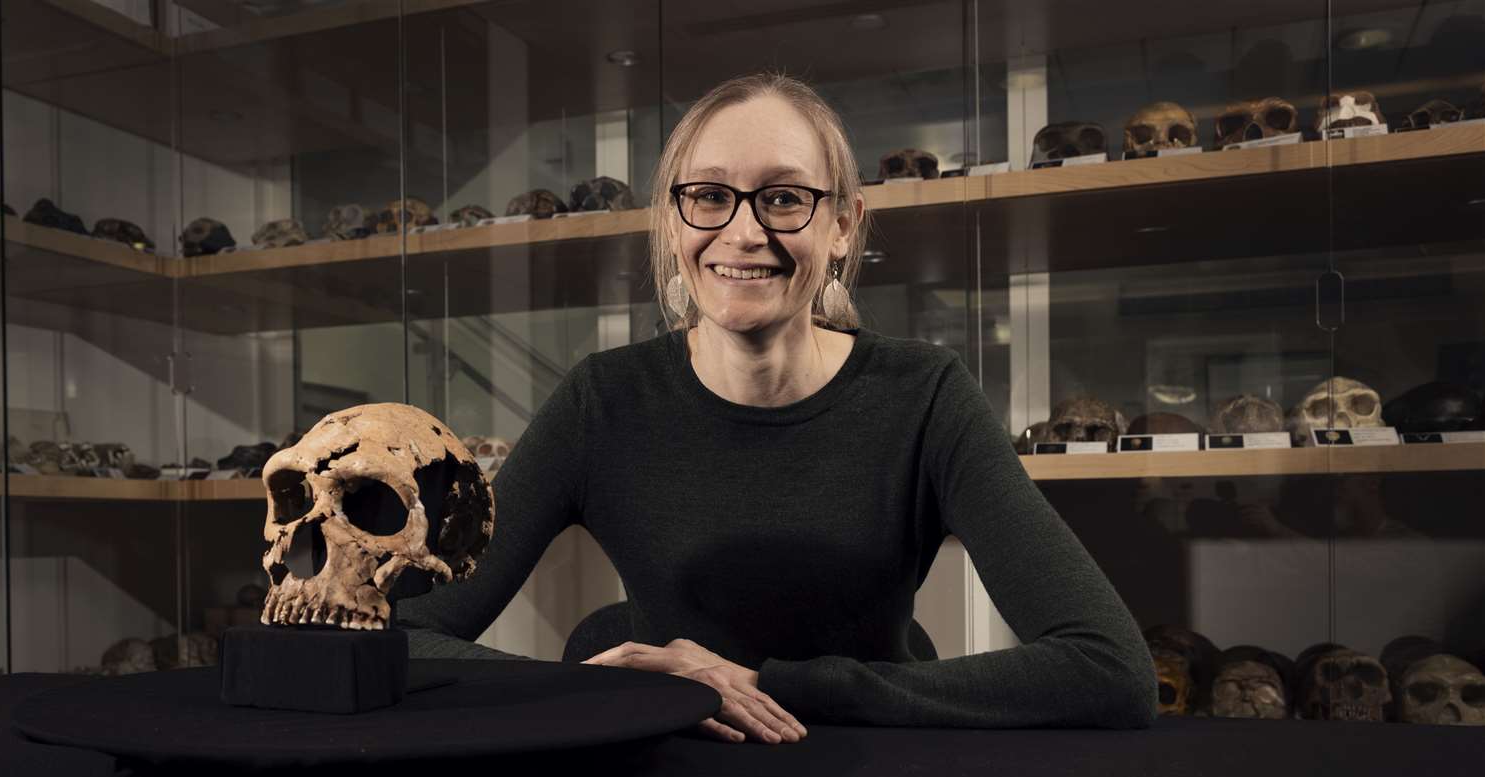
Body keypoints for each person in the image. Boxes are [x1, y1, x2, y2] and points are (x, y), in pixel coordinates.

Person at [396, 72, 1157, 742]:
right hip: (668, 770)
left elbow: (1107, 668)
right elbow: (397, 636)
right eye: (708, 196)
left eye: (784, 198)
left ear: (840, 226)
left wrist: (771, 685)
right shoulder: (602, 400)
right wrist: (602, 689)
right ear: (672, 219)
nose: (743, 231)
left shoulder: (924, 396)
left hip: (874, 763)